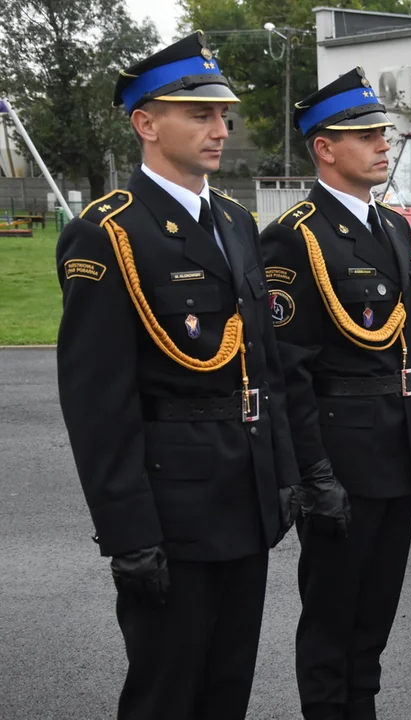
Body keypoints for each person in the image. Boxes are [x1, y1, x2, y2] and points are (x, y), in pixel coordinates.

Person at [54, 31, 300, 720]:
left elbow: (264, 367)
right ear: (145, 123)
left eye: (223, 115)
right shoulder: (108, 235)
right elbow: (97, 403)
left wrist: (281, 475)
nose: (220, 128)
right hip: (173, 511)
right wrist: (129, 535)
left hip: (245, 498)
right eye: (200, 114)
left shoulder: (236, 221)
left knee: (227, 690)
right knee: (166, 693)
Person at [259, 68, 411, 720]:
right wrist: (313, 474)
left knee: (374, 623)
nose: (381, 144)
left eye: (382, 133)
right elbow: (287, 372)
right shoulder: (294, 237)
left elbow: (408, 347)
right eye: (364, 135)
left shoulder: (391, 227)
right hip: (342, 464)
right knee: (333, 623)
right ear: (325, 148)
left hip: (397, 458)